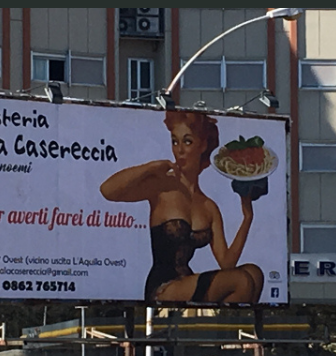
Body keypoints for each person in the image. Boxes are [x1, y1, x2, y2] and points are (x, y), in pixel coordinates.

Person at [100, 111, 264, 305]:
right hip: (163, 286)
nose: (179, 150)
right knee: (241, 280)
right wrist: (150, 168)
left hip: (187, 281)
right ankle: (213, 327)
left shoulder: (209, 206)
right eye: (174, 141)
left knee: (254, 273)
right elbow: (108, 190)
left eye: (187, 142)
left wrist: (247, 217)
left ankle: (220, 328)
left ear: (202, 145)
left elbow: (226, 263)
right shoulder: (162, 187)